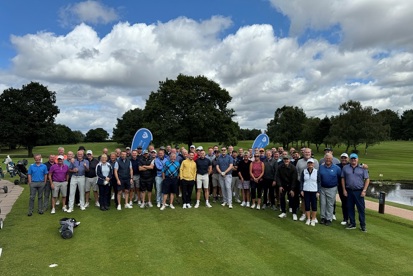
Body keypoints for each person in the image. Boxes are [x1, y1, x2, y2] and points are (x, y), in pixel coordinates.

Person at [341, 153, 370, 232]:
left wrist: (364, 190)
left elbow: (367, 179)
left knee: (361, 209)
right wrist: (344, 189)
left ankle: (362, 225)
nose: (353, 160)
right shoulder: (345, 168)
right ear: (350, 159)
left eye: (355, 158)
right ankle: (352, 223)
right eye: (352, 159)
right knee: (350, 208)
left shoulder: (363, 168)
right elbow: (343, 179)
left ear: (357, 159)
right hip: (349, 190)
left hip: (359, 191)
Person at [296, 148, 319, 221]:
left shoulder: (315, 161)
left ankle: (313, 216)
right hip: (302, 183)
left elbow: (317, 174)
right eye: (306, 152)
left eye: (309, 152)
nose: (307, 153)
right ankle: (304, 214)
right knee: (303, 200)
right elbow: (297, 172)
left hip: (313, 185)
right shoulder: (299, 161)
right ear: (303, 153)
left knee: (313, 201)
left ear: (311, 153)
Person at [319, 153, 342, 226]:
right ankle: (323, 217)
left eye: (329, 158)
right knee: (322, 203)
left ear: (332, 159)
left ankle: (328, 218)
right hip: (322, 187)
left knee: (330, 204)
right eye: (326, 158)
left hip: (332, 188)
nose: (328, 160)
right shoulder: (321, 167)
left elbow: (339, 177)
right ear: (324, 159)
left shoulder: (336, 168)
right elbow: (319, 177)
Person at [276, 155, 298, 220]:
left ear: (289, 160)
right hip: (283, 185)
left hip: (291, 185)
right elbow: (278, 177)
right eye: (285, 159)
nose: (286, 160)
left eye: (287, 159)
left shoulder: (293, 168)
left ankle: (294, 213)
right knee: (282, 198)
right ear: (283, 160)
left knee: (292, 198)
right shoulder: (280, 167)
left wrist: (292, 189)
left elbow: (294, 179)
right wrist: (280, 186)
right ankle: (283, 212)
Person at [300, 158, 320, 226]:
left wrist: (318, 191)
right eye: (309, 163)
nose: (310, 164)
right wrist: (301, 190)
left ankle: (313, 219)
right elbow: (302, 181)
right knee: (307, 205)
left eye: (311, 163)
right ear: (307, 164)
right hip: (306, 190)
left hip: (314, 191)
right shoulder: (304, 171)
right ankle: (308, 218)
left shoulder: (316, 171)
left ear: (313, 164)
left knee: (314, 206)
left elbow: (319, 182)